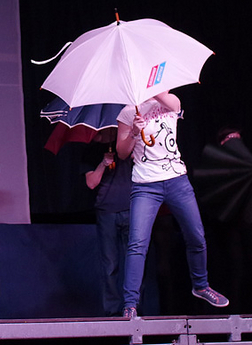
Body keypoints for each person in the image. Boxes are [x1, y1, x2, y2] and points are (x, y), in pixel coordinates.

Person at [117, 91, 229, 318]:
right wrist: (134, 133)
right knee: (137, 244)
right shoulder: (128, 112)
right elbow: (122, 153)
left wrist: (154, 87)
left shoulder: (172, 102)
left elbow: (171, 101)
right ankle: (130, 304)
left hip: (177, 180)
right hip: (145, 185)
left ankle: (201, 286)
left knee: (196, 235)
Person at [82, 129, 132, 317]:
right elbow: (91, 183)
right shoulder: (90, 151)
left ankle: (134, 306)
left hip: (131, 208)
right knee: (110, 264)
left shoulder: (126, 146)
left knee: (134, 262)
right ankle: (112, 310)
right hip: (107, 211)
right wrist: (103, 164)